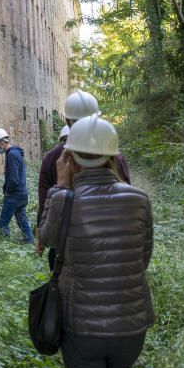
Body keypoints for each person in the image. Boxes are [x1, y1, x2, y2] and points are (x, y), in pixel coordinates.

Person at [38, 115, 154, 368]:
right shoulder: (139, 199)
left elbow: (45, 238)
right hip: (132, 327)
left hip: (83, 327)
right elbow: (142, 258)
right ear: (112, 157)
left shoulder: (64, 199)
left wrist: (60, 186)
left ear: (69, 157)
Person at [38, 90, 131, 265]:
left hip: (68, 249)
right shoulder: (114, 156)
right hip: (112, 247)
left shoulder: (54, 158)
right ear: (98, 119)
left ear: (66, 121)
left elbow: (44, 202)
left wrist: (40, 235)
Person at [0, 128, 34, 244]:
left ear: (2, 142)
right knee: (22, 220)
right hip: (22, 194)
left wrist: (8, 192)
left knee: (3, 222)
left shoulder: (12, 155)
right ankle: (30, 242)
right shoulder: (15, 153)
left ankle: (5, 246)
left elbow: (14, 179)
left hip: (14, 196)